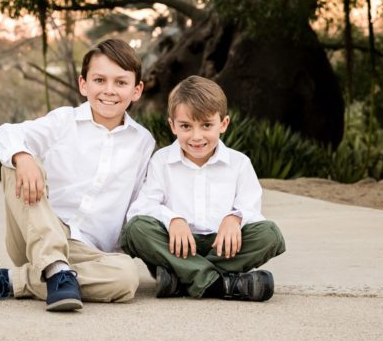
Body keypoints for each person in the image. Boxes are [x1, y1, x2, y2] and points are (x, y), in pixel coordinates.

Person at [0, 38, 155, 312]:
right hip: (35, 233)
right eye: (99, 80)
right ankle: (53, 264)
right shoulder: (64, 121)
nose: (109, 90)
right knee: (15, 161)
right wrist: (24, 157)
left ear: (136, 90)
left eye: (120, 83)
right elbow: (7, 134)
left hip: (85, 251)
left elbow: (136, 203)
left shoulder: (143, 142)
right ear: (83, 84)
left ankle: (12, 280)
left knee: (125, 278)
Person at [120, 76, 286, 301]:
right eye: (186, 126)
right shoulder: (161, 160)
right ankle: (221, 284)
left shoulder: (239, 163)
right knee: (136, 229)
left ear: (223, 124)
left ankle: (181, 277)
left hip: (223, 247)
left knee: (270, 234)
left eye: (206, 125)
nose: (196, 137)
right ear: (173, 126)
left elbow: (251, 208)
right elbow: (142, 208)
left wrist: (234, 218)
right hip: (176, 245)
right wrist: (173, 219)